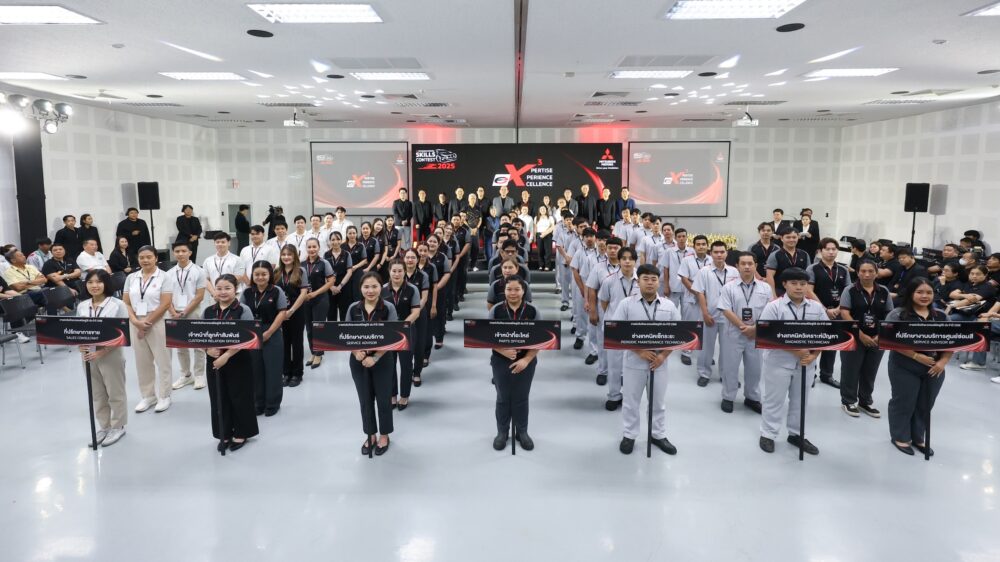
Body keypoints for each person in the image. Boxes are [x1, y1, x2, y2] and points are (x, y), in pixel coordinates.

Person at [609, 264, 680, 455]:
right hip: (634, 362)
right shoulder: (626, 304)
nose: (650, 283)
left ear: (659, 282)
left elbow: (680, 334)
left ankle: (658, 434)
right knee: (631, 401)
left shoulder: (668, 306)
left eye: (654, 279)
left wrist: (663, 355)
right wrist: (639, 351)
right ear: (638, 281)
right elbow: (615, 332)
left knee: (658, 402)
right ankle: (629, 434)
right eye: (645, 279)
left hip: (660, 362)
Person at [757, 267, 826, 455]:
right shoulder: (774, 307)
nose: (799, 287)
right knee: (774, 399)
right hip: (778, 362)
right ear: (784, 284)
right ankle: (768, 434)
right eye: (794, 283)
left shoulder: (816, 307)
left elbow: (826, 335)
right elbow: (766, 335)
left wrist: (814, 355)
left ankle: (796, 434)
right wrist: (797, 351)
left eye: (803, 284)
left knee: (800, 400)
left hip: (807, 362)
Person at [885, 277, 951, 456]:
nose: (924, 296)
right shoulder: (898, 315)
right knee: (904, 402)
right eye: (919, 292)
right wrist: (915, 356)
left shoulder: (941, 316)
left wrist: (943, 362)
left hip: (935, 367)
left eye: (929, 292)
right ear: (911, 293)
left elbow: (953, 341)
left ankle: (918, 437)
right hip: (904, 365)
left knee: (925, 404)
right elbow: (889, 340)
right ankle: (900, 436)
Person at [347, 272, 399, 456]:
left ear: (380, 288)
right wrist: (356, 352)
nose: (370, 290)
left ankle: (384, 435)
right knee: (365, 400)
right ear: (361, 288)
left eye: (374, 286)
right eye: (366, 287)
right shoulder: (353, 308)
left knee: (384, 399)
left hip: (382, 361)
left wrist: (375, 357)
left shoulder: (388, 308)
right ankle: (370, 435)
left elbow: (394, 337)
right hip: (358, 361)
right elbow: (345, 335)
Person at [204, 274, 258, 453]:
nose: (223, 292)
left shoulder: (243, 310)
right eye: (219, 288)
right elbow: (198, 335)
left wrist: (226, 355)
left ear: (236, 289)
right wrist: (207, 350)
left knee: (239, 396)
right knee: (218, 397)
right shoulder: (208, 311)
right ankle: (224, 432)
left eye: (227, 288)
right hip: (214, 361)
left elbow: (249, 337)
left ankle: (242, 432)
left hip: (238, 359)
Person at [487, 275, 541, 451]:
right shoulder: (496, 310)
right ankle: (502, 432)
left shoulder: (533, 311)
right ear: (504, 291)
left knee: (521, 397)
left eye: (517, 289)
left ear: (523, 291)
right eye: (509, 289)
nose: (513, 293)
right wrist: (502, 351)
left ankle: (522, 431)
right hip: (500, 360)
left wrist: (526, 359)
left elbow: (541, 339)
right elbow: (486, 336)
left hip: (526, 361)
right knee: (503, 397)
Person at [76, 269, 129, 447]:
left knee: (115, 391)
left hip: (111, 354)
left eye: (99, 282)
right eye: (90, 282)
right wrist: (80, 345)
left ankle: (118, 426)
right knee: (97, 393)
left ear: (106, 284)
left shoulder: (117, 305)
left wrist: (102, 351)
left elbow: (123, 334)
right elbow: (77, 330)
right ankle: (104, 426)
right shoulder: (82, 306)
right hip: (88, 354)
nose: (94, 286)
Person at [717, 252, 773, 413]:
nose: (747, 267)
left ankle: (752, 397)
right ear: (737, 266)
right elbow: (726, 310)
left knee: (755, 368)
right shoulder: (728, 287)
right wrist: (744, 327)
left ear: (756, 266)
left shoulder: (765, 288)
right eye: (743, 264)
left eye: (750, 263)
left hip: (757, 334)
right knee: (730, 367)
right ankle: (728, 397)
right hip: (733, 333)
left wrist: (754, 328)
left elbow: (770, 310)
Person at [839, 260, 893, 417]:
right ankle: (848, 401)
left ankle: (865, 401)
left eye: (871, 271)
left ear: (876, 273)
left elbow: (889, 314)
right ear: (857, 273)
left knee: (870, 371)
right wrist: (860, 334)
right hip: (853, 337)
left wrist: (880, 334)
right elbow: (845, 313)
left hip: (877, 338)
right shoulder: (849, 290)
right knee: (850, 369)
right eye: (863, 271)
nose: (867, 274)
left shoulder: (884, 291)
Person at [123, 245, 174, 414]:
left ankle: (165, 395)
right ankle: (148, 395)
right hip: (136, 320)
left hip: (158, 321)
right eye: (142, 257)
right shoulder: (131, 277)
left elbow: (165, 303)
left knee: (163, 360)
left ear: (156, 258)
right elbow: (126, 302)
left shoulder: (164, 277)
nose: (145, 260)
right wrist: (135, 321)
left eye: (149, 257)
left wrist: (147, 322)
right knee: (142, 362)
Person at [242, 261, 288, 416]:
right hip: (251, 333)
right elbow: (241, 311)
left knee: (273, 368)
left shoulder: (277, 291)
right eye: (257, 274)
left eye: (264, 274)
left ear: (270, 275)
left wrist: (269, 332)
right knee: (255, 368)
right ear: (252, 275)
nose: (260, 277)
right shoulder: (247, 292)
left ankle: (272, 403)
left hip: (272, 331)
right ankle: (258, 402)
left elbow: (282, 313)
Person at [692, 241, 739, 387]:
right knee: (706, 347)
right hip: (710, 315)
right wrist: (705, 313)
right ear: (710, 253)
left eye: (722, 252)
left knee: (727, 348)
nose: (719, 255)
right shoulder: (704, 272)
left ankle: (726, 375)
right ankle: (704, 373)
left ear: (726, 253)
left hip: (729, 317)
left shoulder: (734, 272)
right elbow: (700, 293)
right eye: (716, 252)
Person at [806, 237, 851, 388]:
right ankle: (810, 374)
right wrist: (824, 309)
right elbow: (809, 291)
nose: (831, 252)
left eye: (834, 249)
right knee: (814, 342)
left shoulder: (843, 270)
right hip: (817, 311)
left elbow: (848, 291)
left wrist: (838, 309)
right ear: (820, 251)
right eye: (828, 249)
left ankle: (827, 375)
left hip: (837, 312)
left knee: (832, 343)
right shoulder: (813, 269)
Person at [598, 245, 638, 409]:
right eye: (624, 259)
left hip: (634, 328)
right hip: (614, 327)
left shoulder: (642, 280)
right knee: (614, 365)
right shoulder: (609, 280)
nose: (627, 262)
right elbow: (604, 302)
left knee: (633, 366)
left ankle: (629, 397)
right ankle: (614, 395)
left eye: (631, 259)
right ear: (619, 261)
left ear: (635, 261)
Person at [167, 243, 207, 391]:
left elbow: (199, 295)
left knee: (198, 343)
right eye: (177, 251)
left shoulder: (199, 271)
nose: (180, 254)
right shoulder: (169, 273)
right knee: (179, 345)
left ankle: (199, 375)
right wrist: (173, 312)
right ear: (173, 253)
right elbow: (166, 295)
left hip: (193, 310)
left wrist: (184, 312)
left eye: (184, 251)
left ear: (190, 252)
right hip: (174, 311)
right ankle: (186, 374)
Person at [382, 260, 421, 410]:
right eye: (394, 271)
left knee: (406, 365)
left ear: (405, 272)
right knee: (389, 364)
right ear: (389, 271)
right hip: (389, 333)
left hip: (407, 330)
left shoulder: (412, 289)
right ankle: (392, 395)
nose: (397, 274)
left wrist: (402, 326)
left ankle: (404, 396)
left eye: (400, 271)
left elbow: (416, 312)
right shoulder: (382, 289)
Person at [274, 245, 309, 387]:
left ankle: (297, 373)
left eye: (289, 254)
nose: (286, 257)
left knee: (297, 343)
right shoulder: (277, 272)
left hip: (297, 311)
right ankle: (286, 372)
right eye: (284, 254)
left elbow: (303, 293)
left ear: (294, 256)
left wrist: (292, 310)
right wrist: (281, 312)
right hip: (280, 313)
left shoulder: (301, 271)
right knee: (284, 343)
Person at [302, 238, 334, 371]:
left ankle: (319, 354)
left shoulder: (324, 263)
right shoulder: (301, 264)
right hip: (305, 300)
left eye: (314, 246)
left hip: (320, 299)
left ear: (319, 247)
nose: (312, 249)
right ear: (306, 248)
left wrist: (315, 293)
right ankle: (313, 352)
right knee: (309, 328)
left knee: (318, 327)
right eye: (309, 247)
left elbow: (331, 281)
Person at [678, 235, 711, 367]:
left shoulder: (712, 259)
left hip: (708, 298)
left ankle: (705, 354)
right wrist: (698, 293)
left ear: (707, 246)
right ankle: (686, 352)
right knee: (690, 325)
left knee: (706, 326)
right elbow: (684, 279)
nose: (701, 246)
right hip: (690, 297)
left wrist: (705, 296)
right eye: (698, 244)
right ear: (694, 246)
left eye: (703, 244)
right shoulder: (687, 260)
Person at [203, 232, 246, 307]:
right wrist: (214, 293)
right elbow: (205, 279)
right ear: (214, 243)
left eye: (223, 242)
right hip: (215, 297)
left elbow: (239, 277)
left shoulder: (237, 259)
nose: (220, 244)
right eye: (217, 242)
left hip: (233, 296)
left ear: (229, 243)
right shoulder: (208, 260)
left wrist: (224, 293)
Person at [765, 227, 811, 296]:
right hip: (780, 291)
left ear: (798, 237)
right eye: (788, 237)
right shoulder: (775, 255)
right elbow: (770, 276)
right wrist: (773, 295)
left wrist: (807, 293)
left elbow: (808, 275)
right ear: (781, 238)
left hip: (800, 291)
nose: (791, 240)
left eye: (794, 237)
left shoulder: (804, 254)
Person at [324, 231, 354, 321]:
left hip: (343, 287)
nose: (335, 242)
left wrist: (340, 286)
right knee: (331, 313)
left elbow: (349, 272)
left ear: (341, 240)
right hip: (330, 288)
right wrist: (331, 287)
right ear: (330, 241)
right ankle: (332, 330)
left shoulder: (346, 254)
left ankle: (344, 330)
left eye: (338, 239)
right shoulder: (326, 254)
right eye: (333, 240)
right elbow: (324, 273)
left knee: (344, 313)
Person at [534, 205, 555, 271]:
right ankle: (541, 265)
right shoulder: (536, 218)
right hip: (539, 235)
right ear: (539, 210)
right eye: (541, 209)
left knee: (548, 251)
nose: (542, 210)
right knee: (540, 251)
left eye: (544, 209)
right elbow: (535, 228)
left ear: (546, 210)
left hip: (548, 234)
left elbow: (552, 227)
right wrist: (534, 237)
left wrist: (545, 233)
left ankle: (547, 266)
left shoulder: (550, 217)